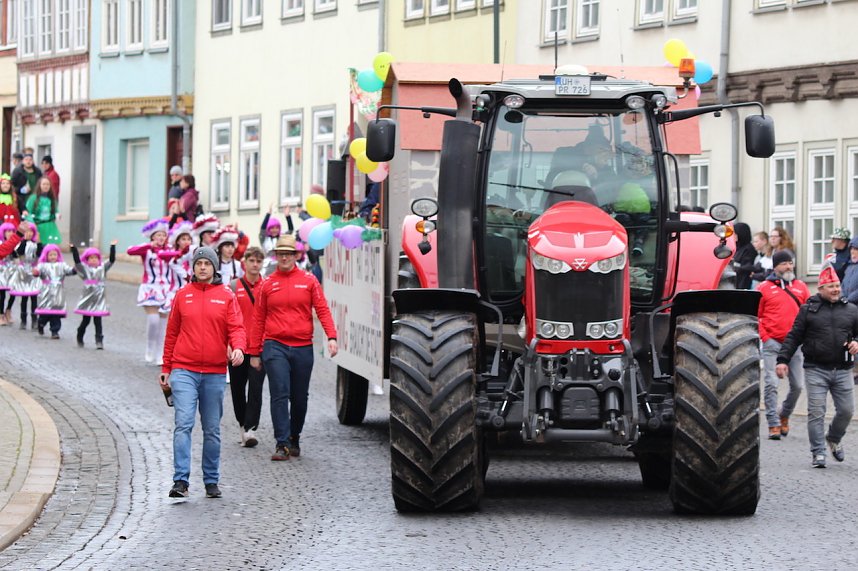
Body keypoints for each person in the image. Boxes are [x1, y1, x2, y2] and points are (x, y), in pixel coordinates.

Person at [160, 246, 246, 499]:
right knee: (183, 423)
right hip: (183, 369)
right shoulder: (182, 295)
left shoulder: (226, 296)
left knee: (212, 429)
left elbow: (237, 328)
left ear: (214, 266)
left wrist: (239, 348)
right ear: (193, 267)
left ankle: (211, 480)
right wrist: (167, 368)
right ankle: (180, 481)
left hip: (215, 372)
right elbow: (172, 333)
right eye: (199, 263)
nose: (203, 267)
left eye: (207, 263)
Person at [249, 235, 338, 461]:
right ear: (276, 256)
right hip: (274, 345)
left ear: (296, 256)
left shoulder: (309, 281)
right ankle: (282, 443)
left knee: (299, 398)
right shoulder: (268, 284)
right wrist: (254, 352)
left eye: (289, 254)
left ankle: (294, 436)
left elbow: (323, 309)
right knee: (279, 393)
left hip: (302, 347)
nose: (285, 257)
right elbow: (258, 319)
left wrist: (331, 336)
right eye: (281, 254)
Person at [777, 266, 857, 468]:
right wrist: (782, 360)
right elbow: (794, 336)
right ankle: (818, 452)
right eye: (831, 286)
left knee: (847, 411)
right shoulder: (808, 310)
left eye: (838, 285)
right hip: (816, 369)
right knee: (816, 412)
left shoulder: (852, 310)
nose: (836, 289)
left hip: (843, 369)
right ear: (821, 288)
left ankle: (834, 438)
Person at [757, 250, 810, 440]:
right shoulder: (764, 288)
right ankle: (773, 423)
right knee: (771, 383)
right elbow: (756, 315)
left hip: (794, 345)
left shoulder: (801, 287)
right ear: (775, 267)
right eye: (784, 263)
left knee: (797, 386)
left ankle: (784, 414)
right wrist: (765, 337)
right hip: (772, 342)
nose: (788, 267)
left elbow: (808, 315)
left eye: (790, 263)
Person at [228, 246, 267, 448]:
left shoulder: (266, 287)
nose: (255, 265)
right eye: (252, 260)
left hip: (259, 347)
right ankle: (243, 424)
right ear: (245, 262)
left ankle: (251, 428)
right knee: (237, 389)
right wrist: (228, 344)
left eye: (259, 261)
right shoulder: (233, 287)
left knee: (256, 389)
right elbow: (225, 317)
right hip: (237, 347)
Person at [127, 219, 173, 363]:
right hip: (150, 288)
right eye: (158, 235)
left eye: (163, 235)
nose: (161, 238)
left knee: (164, 324)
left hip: (166, 289)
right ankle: (149, 347)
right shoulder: (146, 249)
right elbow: (130, 251)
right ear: (152, 236)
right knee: (153, 320)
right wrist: (149, 245)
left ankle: (160, 353)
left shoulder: (170, 250)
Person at [71, 241, 116, 349]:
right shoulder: (84, 269)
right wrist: (74, 250)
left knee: (98, 321)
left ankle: (99, 340)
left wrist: (112, 247)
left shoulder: (102, 268)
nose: (94, 260)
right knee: (86, 320)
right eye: (91, 258)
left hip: (99, 300)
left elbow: (111, 260)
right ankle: (80, 334)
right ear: (87, 260)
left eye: (95, 258)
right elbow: (77, 262)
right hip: (88, 299)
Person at [31, 243, 75, 339]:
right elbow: (37, 271)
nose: (53, 257)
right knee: (46, 312)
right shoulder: (42, 265)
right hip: (46, 292)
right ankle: (41, 323)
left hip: (58, 293)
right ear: (46, 255)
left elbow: (69, 271)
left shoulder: (62, 265)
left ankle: (55, 331)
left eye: (54, 254)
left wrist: (75, 269)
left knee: (56, 313)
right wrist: (36, 272)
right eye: (50, 255)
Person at [8, 222, 41, 329]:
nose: (29, 234)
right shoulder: (21, 243)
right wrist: (24, 241)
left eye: (31, 231)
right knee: (24, 297)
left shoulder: (36, 244)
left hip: (32, 270)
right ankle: (23, 319)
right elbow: (18, 252)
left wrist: (39, 243)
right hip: (23, 271)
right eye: (27, 231)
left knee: (34, 297)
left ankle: (34, 319)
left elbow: (41, 254)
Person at [24, 176, 61, 244]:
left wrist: (57, 215)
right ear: (39, 185)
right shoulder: (33, 198)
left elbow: (55, 211)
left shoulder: (52, 199)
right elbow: (27, 212)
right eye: (44, 184)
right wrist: (32, 224)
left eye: (47, 184)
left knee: (51, 249)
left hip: (50, 227)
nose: (45, 186)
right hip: (38, 226)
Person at [731, 223, 757, 289]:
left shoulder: (749, 249)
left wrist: (736, 268)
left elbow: (748, 266)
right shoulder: (737, 247)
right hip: (736, 280)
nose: (734, 236)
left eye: (735, 234)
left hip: (744, 282)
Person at [841, 237, 858, 304]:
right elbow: (843, 285)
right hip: (847, 307)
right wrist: (843, 298)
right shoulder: (849, 267)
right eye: (851, 248)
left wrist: (849, 300)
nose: (852, 251)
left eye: (856, 249)